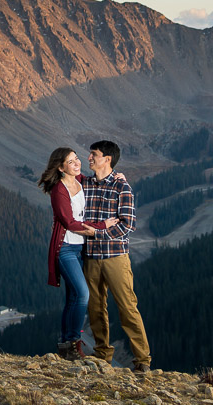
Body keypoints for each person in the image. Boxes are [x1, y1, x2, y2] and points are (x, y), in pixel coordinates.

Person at [38, 147, 117, 360]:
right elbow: (69, 222)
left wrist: (116, 176)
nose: (77, 163)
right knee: (82, 294)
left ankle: (66, 346)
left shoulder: (80, 180)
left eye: (77, 159)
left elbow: (98, 179)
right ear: (60, 167)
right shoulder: (59, 190)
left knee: (73, 297)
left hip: (81, 248)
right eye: (71, 161)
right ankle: (74, 343)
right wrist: (101, 226)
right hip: (65, 249)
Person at [81, 139, 152, 372]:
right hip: (91, 256)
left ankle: (142, 361)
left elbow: (128, 225)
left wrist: (97, 232)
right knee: (95, 307)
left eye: (94, 154)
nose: (89, 158)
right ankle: (102, 355)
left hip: (115, 258)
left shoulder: (123, 187)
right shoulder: (85, 184)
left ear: (107, 159)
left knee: (127, 307)